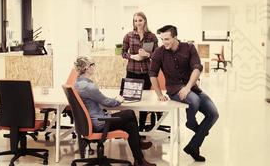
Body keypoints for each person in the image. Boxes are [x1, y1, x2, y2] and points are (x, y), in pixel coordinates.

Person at [149, 25, 219, 162]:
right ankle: (192, 124)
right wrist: (159, 94)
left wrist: (187, 87)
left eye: (167, 39)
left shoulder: (189, 48)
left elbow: (197, 68)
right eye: (162, 39)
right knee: (194, 101)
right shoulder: (159, 52)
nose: (164, 42)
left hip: (192, 88)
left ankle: (193, 145)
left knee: (213, 114)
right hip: (174, 89)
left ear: (175, 37)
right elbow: (152, 74)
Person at [74, 56, 156, 166]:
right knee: (130, 113)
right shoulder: (88, 87)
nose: (94, 67)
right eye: (92, 64)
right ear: (86, 68)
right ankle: (139, 146)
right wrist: (118, 100)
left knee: (131, 125)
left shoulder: (78, 83)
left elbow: (100, 100)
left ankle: (139, 160)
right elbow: (106, 102)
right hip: (99, 123)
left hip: (91, 122)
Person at [122, 11, 160, 132]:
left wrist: (147, 54)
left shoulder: (151, 36)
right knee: (130, 100)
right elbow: (123, 52)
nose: (138, 23)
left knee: (144, 100)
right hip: (132, 71)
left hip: (146, 73)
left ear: (145, 21)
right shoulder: (129, 36)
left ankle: (141, 127)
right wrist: (133, 57)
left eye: (140, 20)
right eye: (135, 20)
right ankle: (130, 127)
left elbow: (157, 54)